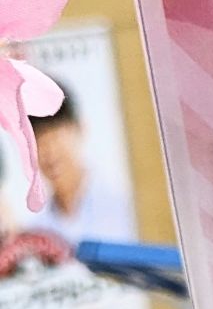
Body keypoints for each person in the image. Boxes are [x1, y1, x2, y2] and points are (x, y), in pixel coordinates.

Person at [28, 83, 136, 249]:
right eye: (37, 141)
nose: (48, 151)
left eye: (54, 136)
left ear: (80, 129)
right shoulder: (36, 234)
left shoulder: (127, 205)